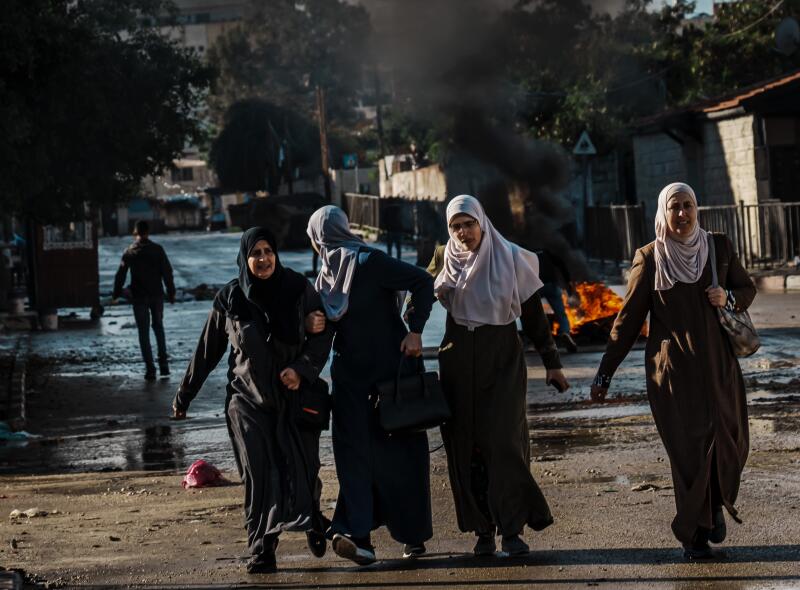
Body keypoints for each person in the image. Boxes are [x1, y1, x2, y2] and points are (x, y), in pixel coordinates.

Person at [590, 182, 756, 560]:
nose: (682, 214)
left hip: (719, 367)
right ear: (663, 213)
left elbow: (746, 289)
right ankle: (692, 533)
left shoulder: (719, 247)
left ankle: (713, 505)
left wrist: (727, 297)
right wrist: (604, 373)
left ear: (696, 209)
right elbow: (627, 321)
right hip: (673, 376)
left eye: (687, 206)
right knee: (688, 452)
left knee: (732, 441)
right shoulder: (649, 258)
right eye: (674, 208)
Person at [171, 227, 333, 574]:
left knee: (304, 468)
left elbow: (323, 337)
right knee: (261, 473)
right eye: (255, 253)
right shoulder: (231, 298)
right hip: (247, 400)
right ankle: (262, 547)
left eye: (268, 251)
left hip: (294, 397)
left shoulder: (299, 289)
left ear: (276, 253)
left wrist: (301, 369)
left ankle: (313, 519)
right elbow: (207, 351)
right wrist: (184, 395)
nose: (263, 259)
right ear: (245, 258)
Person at [427, 195, 570, 557]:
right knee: (465, 447)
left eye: (468, 224)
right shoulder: (444, 258)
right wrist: (409, 329)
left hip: (503, 359)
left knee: (504, 444)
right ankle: (482, 530)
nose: (463, 232)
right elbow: (417, 292)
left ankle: (512, 529)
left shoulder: (509, 257)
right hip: (457, 360)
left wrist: (552, 363)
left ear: (482, 222)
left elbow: (535, 317)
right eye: (455, 226)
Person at [306, 205, 435, 565]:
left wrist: (414, 330)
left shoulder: (368, 262)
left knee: (402, 456)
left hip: (390, 376)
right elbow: (324, 329)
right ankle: (358, 536)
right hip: (349, 381)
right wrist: (311, 325)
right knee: (352, 456)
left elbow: (423, 282)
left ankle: (413, 536)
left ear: (319, 236)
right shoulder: (325, 277)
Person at [112, 220, 176, 380]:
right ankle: (164, 367)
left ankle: (150, 369)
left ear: (135, 232)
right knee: (158, 328)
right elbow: (167, 272)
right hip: (157, 295)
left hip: (139, 296)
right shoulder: (157, 250)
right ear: (148, 231)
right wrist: (171, 291)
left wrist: (116, 292)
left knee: (143, 332)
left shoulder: (130, 251)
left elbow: (121, 273)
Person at [537, 249, 578, 353]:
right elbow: (561, 264)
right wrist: (568, 282)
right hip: (552, 285)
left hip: (535, 287)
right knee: (561, 313)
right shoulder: (547, 252)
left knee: (535, 315)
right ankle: (565, 332)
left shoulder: (525, 252)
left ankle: (538, 341)